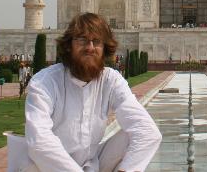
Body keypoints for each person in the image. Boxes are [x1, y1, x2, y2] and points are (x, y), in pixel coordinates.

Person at [24, 12, 162, 171]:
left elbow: (148, 133)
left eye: (96, 41)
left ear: (105, 48)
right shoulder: (45, 82)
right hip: (47, 167)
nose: (90, 47)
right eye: (82, 39)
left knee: (138, 133)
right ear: (69, 45)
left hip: (91, 163)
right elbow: (39, 141)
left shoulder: (110, 79)